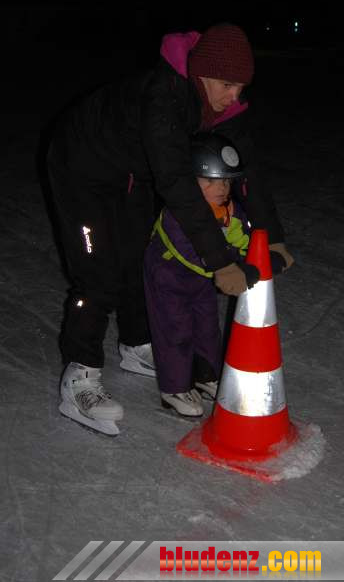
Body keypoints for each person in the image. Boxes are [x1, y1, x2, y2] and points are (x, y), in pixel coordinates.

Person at [47, 22, 294, 435]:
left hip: (131, 174)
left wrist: (274, 236)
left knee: (139, 256)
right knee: (97, 273)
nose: (234, 96)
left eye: (241, 87)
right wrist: (220, 261)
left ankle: (135, 344)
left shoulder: (221, 107)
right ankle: (80, 375)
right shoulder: (164, 98)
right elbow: (179, 185)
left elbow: (246, 172)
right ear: (201, 75)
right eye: (227, 84)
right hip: (81, 167)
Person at [144, 132, 265, 417]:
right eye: (209, 180)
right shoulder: (177, 214)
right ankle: (174, 388)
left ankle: (205, 374)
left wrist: (255, 257)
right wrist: (231, 267)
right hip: (168, 279)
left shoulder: (229, 211)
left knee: (208, 327)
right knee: (176, 329)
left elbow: (241, 237)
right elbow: (189, 253)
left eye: (225, 181)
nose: (221, 188)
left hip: (202, 283)